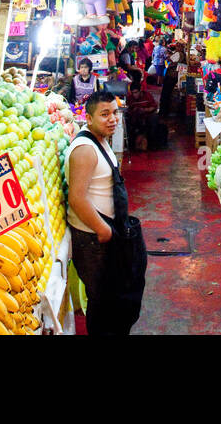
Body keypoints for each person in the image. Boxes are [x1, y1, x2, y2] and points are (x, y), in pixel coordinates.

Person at [66, 91, 145, 334]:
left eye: (115, 113)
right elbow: (77, 198)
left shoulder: (100, 141)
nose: (112, 119)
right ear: (88, 119)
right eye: (104, 114)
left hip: (106, 232)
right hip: (94, 239)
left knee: (115, 303)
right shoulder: (84, 149)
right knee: (103, 306)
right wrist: (104, 231)